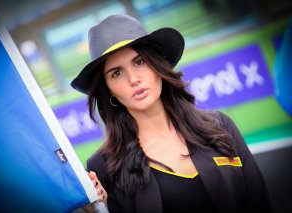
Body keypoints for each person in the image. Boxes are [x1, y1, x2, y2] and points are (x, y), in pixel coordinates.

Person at [71, 14, 271, 213]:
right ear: (109, 90)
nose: (133, 79)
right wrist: (99, 209)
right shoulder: (103, 166)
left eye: (139, 62)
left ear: (157, 64)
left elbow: (259, 204)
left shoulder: (219, 126)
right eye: (116, 73)